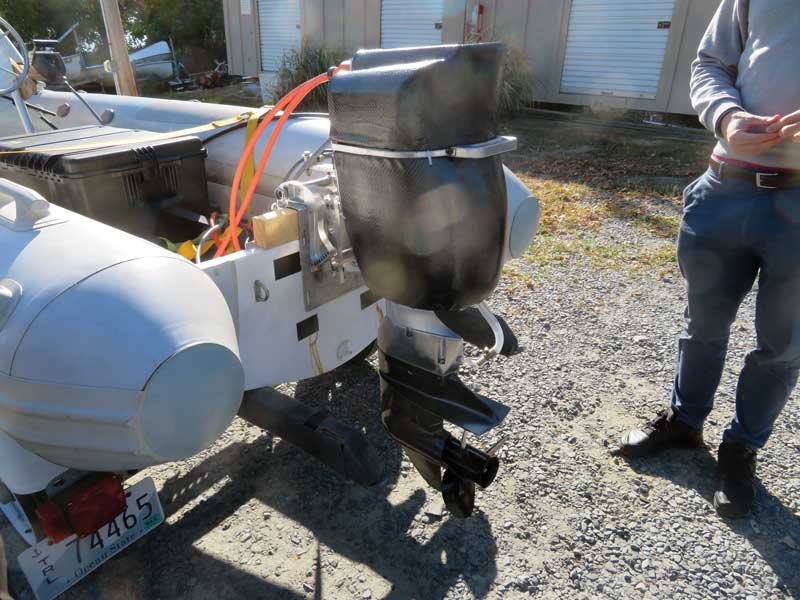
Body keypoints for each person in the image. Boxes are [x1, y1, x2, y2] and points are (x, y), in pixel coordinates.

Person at [619, 0, 800, 518]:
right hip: (726, 190)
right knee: (702, 325)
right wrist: (728, 115)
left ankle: (741, 450)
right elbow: (710, 63)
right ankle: (684, 422)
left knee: (783, 348)